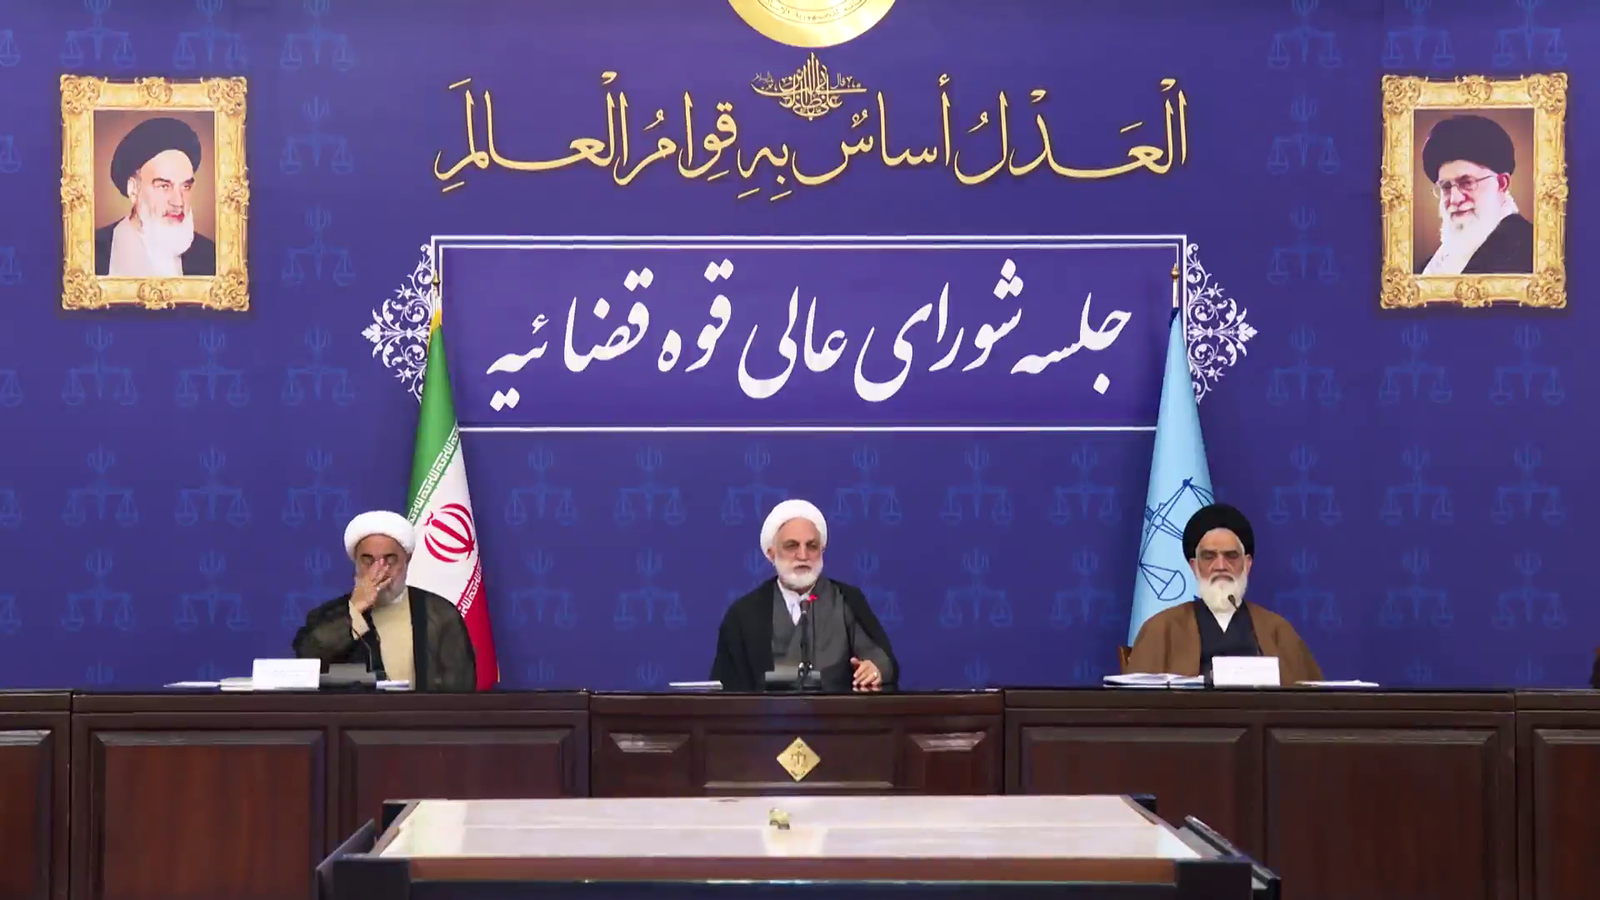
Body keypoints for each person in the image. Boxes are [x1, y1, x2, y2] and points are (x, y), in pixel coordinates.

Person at [711, 499, 898, 692]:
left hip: (836, 710)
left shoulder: (846, 600)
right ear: (771, 554)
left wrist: (875, 669)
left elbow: (882, 661)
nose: (803, 555)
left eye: (812, 546)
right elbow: (727, 688)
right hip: (766, 711)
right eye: (791, 546)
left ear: (822, 551)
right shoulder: (744, 613)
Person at [1126, 503, 1323, 683]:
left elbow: (1309, 701)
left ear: (1247, 564)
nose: (1220, 566)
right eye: (1209, 557)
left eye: (1231, 556)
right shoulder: (1162, 629)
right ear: (1194, 567)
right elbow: (1136, 703)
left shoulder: (1276, 630)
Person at [292, 510, 476, 691]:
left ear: (407, 560)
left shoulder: (440, 612)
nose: (379, 571)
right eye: (368, 560)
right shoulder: (327, 615)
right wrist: (354, 610)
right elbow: (308, 658)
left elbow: (461, 688)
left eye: (390, 560)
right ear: (355, 563)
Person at [94, 116, 216, 277]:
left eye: (185, 187)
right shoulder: (92, 251)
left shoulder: (209, 256)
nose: (178, 202)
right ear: (133, 189)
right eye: (164, 186)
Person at [1415, 114, 1533, 276]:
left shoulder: (1531, 251)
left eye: (1467, 183)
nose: (1455, 199)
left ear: (1501, 183)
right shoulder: (1429, 266)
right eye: (1446, 187)